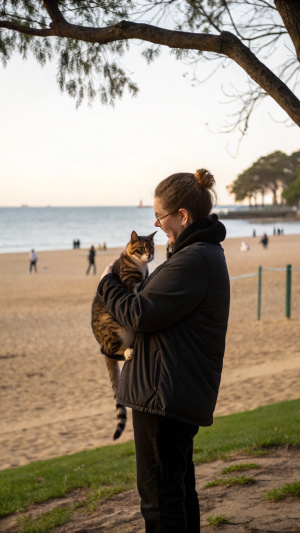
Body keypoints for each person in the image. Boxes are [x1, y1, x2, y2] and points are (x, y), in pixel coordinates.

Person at [98, 169, 230, 532]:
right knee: (178, 492)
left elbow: (139, 313)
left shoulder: (193, 260)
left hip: (163, 396)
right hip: (172, 391)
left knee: (159, 501)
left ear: (183, 216)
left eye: (161, 216)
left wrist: (107, 282)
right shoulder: (196, 254)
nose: (156, 223)